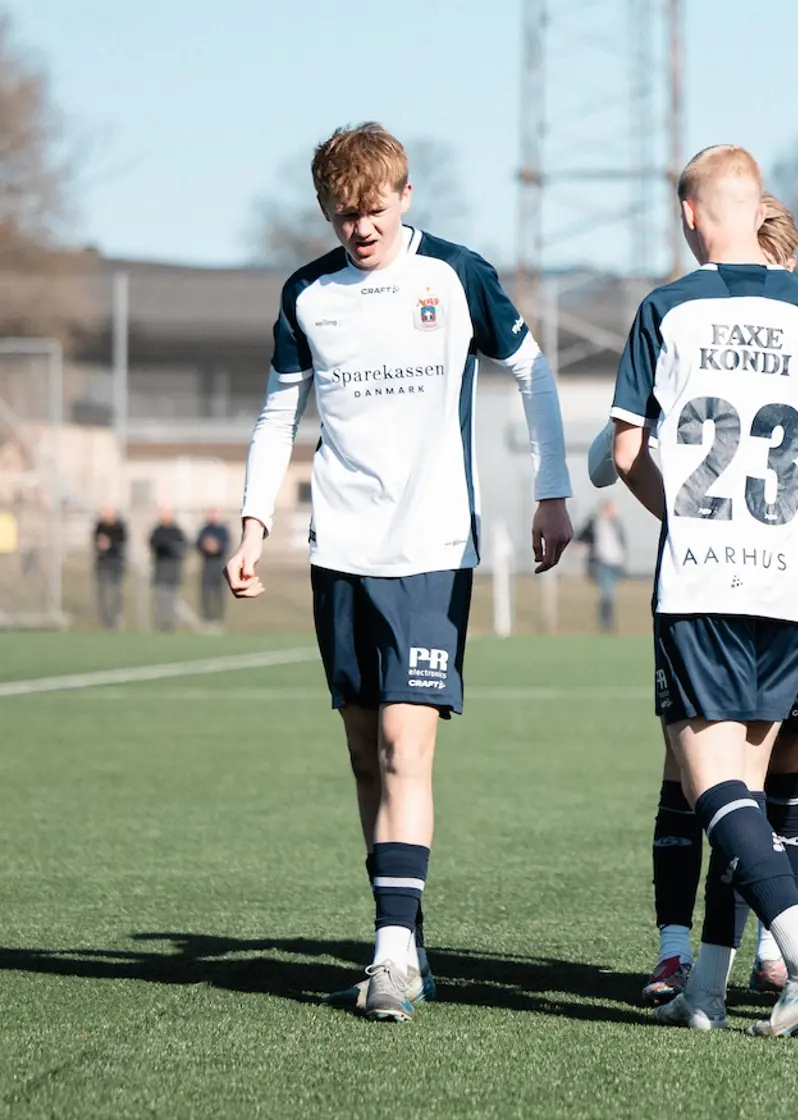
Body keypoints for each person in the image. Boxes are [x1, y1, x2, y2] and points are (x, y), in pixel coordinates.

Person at [231, 122, 572, 1023]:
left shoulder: (456, 276)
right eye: (344, 215)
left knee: (403, 747)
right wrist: (253, 522)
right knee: (362, 757)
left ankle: (388, 957)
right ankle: (404, 937)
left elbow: (533, 373)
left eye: (374, 210)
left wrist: (552, 492)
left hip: (430, 549)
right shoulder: (309, 294)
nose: (361, 229)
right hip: (339, 552)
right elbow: (276, 416)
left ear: (405, 196)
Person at [610, 145, 798, 1037]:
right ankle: (708, 984)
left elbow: (623, 453)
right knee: (744, 794)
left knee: (709, 783)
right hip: (789, 592)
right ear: (759, 210)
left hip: (703, 581)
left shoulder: (668, 309)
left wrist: (683, 514)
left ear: (689, 214)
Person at [576, 498, 629, 633]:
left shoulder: (616, 522)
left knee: (610, 593)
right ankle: (606, 623)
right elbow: (581, 537)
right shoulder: (594, 522)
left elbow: (622, 541)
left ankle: (608, 622)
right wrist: (583, 547)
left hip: (616, 562)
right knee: (606, 593)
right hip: (602, 561)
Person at [147, 508, 189, 631]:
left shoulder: (177, 531)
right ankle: (161, 623)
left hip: (173, 569)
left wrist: (171, 547)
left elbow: (182, 547)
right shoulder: (157, 531)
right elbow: (154, 544)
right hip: (160, 568)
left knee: (172, 598)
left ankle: (170, 623)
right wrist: (165, 545)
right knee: (160, 597)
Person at [92, 507, 128, 628]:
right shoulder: (100, 527)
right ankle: (105, 620)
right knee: (103, 592)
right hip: (103, 563)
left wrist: (110, 544)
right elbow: (95, 541)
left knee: (116, 591)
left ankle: (117, 618)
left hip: (116, 564)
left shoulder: (119, 527)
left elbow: (122, 543)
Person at [195, 509, 233, 624]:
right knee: (206, 592)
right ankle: (207, 618)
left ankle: (218, 618)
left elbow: (226, 545)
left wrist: (216, 546)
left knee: (219, 592)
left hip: (220, 564)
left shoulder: (222, 530)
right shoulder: (205, 530)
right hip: (208, 564)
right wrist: (205, 545)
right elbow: (197, 544)